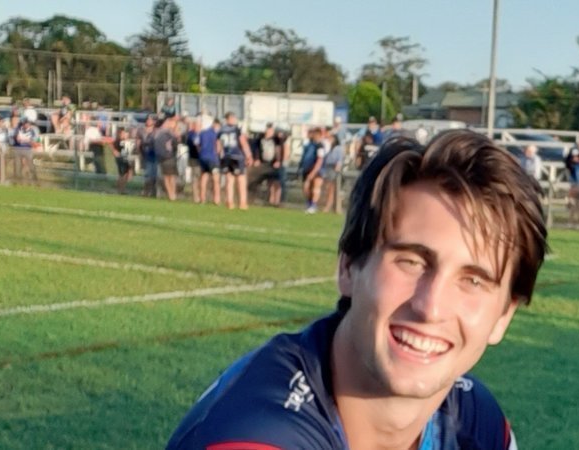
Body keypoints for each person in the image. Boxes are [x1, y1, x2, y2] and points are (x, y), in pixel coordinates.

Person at [168, 130, 548, 449]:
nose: (431, 307)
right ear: (348, 266)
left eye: (473, 280)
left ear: (504, 315)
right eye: (411, 262)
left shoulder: (475, 422)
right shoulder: (256, 436)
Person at [217, 112, 253, 209]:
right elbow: (243, 142)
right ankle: (242, 203)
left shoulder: (221, 130)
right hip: (237, 156)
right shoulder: (237, 129)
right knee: (241, 179)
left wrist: (220, 156)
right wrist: (249, 156)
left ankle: (229, 202)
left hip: (226, 157)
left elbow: (218, 145)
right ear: (230, 119)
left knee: (229, 180)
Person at [299, 127, 326, 214]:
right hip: (307, 168)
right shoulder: (309, 144)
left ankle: (313, 205)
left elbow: (320, 159)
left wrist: (314, 171)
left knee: (315, 187)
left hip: (317, 170)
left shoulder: (320, 146)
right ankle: (309, 203)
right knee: (306, 188)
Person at [154, 115, 180, 201]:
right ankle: (172, 194)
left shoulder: (158, 133)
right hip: (169, 156)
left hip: (162, 157)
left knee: (167, 176)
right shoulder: (168, 133)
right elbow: (175, 143)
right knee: (171, 176)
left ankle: (170, 194)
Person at [198, 119, 222, 205]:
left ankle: (202, 199)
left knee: (204, 177)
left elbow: (199, 145)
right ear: (216, 125)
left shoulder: (202, 133)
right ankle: (216, 200)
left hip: (203, 158)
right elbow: (218, 147)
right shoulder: (216, 134)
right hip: (212, 158)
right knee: (216, 179)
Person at [321, 135, 344, 213]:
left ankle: (328, 206)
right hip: (327, 167)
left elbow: (339, 159)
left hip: (333, 168)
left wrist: (337, 167)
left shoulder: (338, 148)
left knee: (331, 188)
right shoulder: (329, 148)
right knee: (327, 188)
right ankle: (328, 205)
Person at [112, 128, 135, 194]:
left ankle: (121, 189)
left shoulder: (125, 142)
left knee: (124, 175)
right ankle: (120, 189)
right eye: (123, 134)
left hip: (125, 159)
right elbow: (116, 151)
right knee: (122, 175)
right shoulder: (119, 142)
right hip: (121, 159)